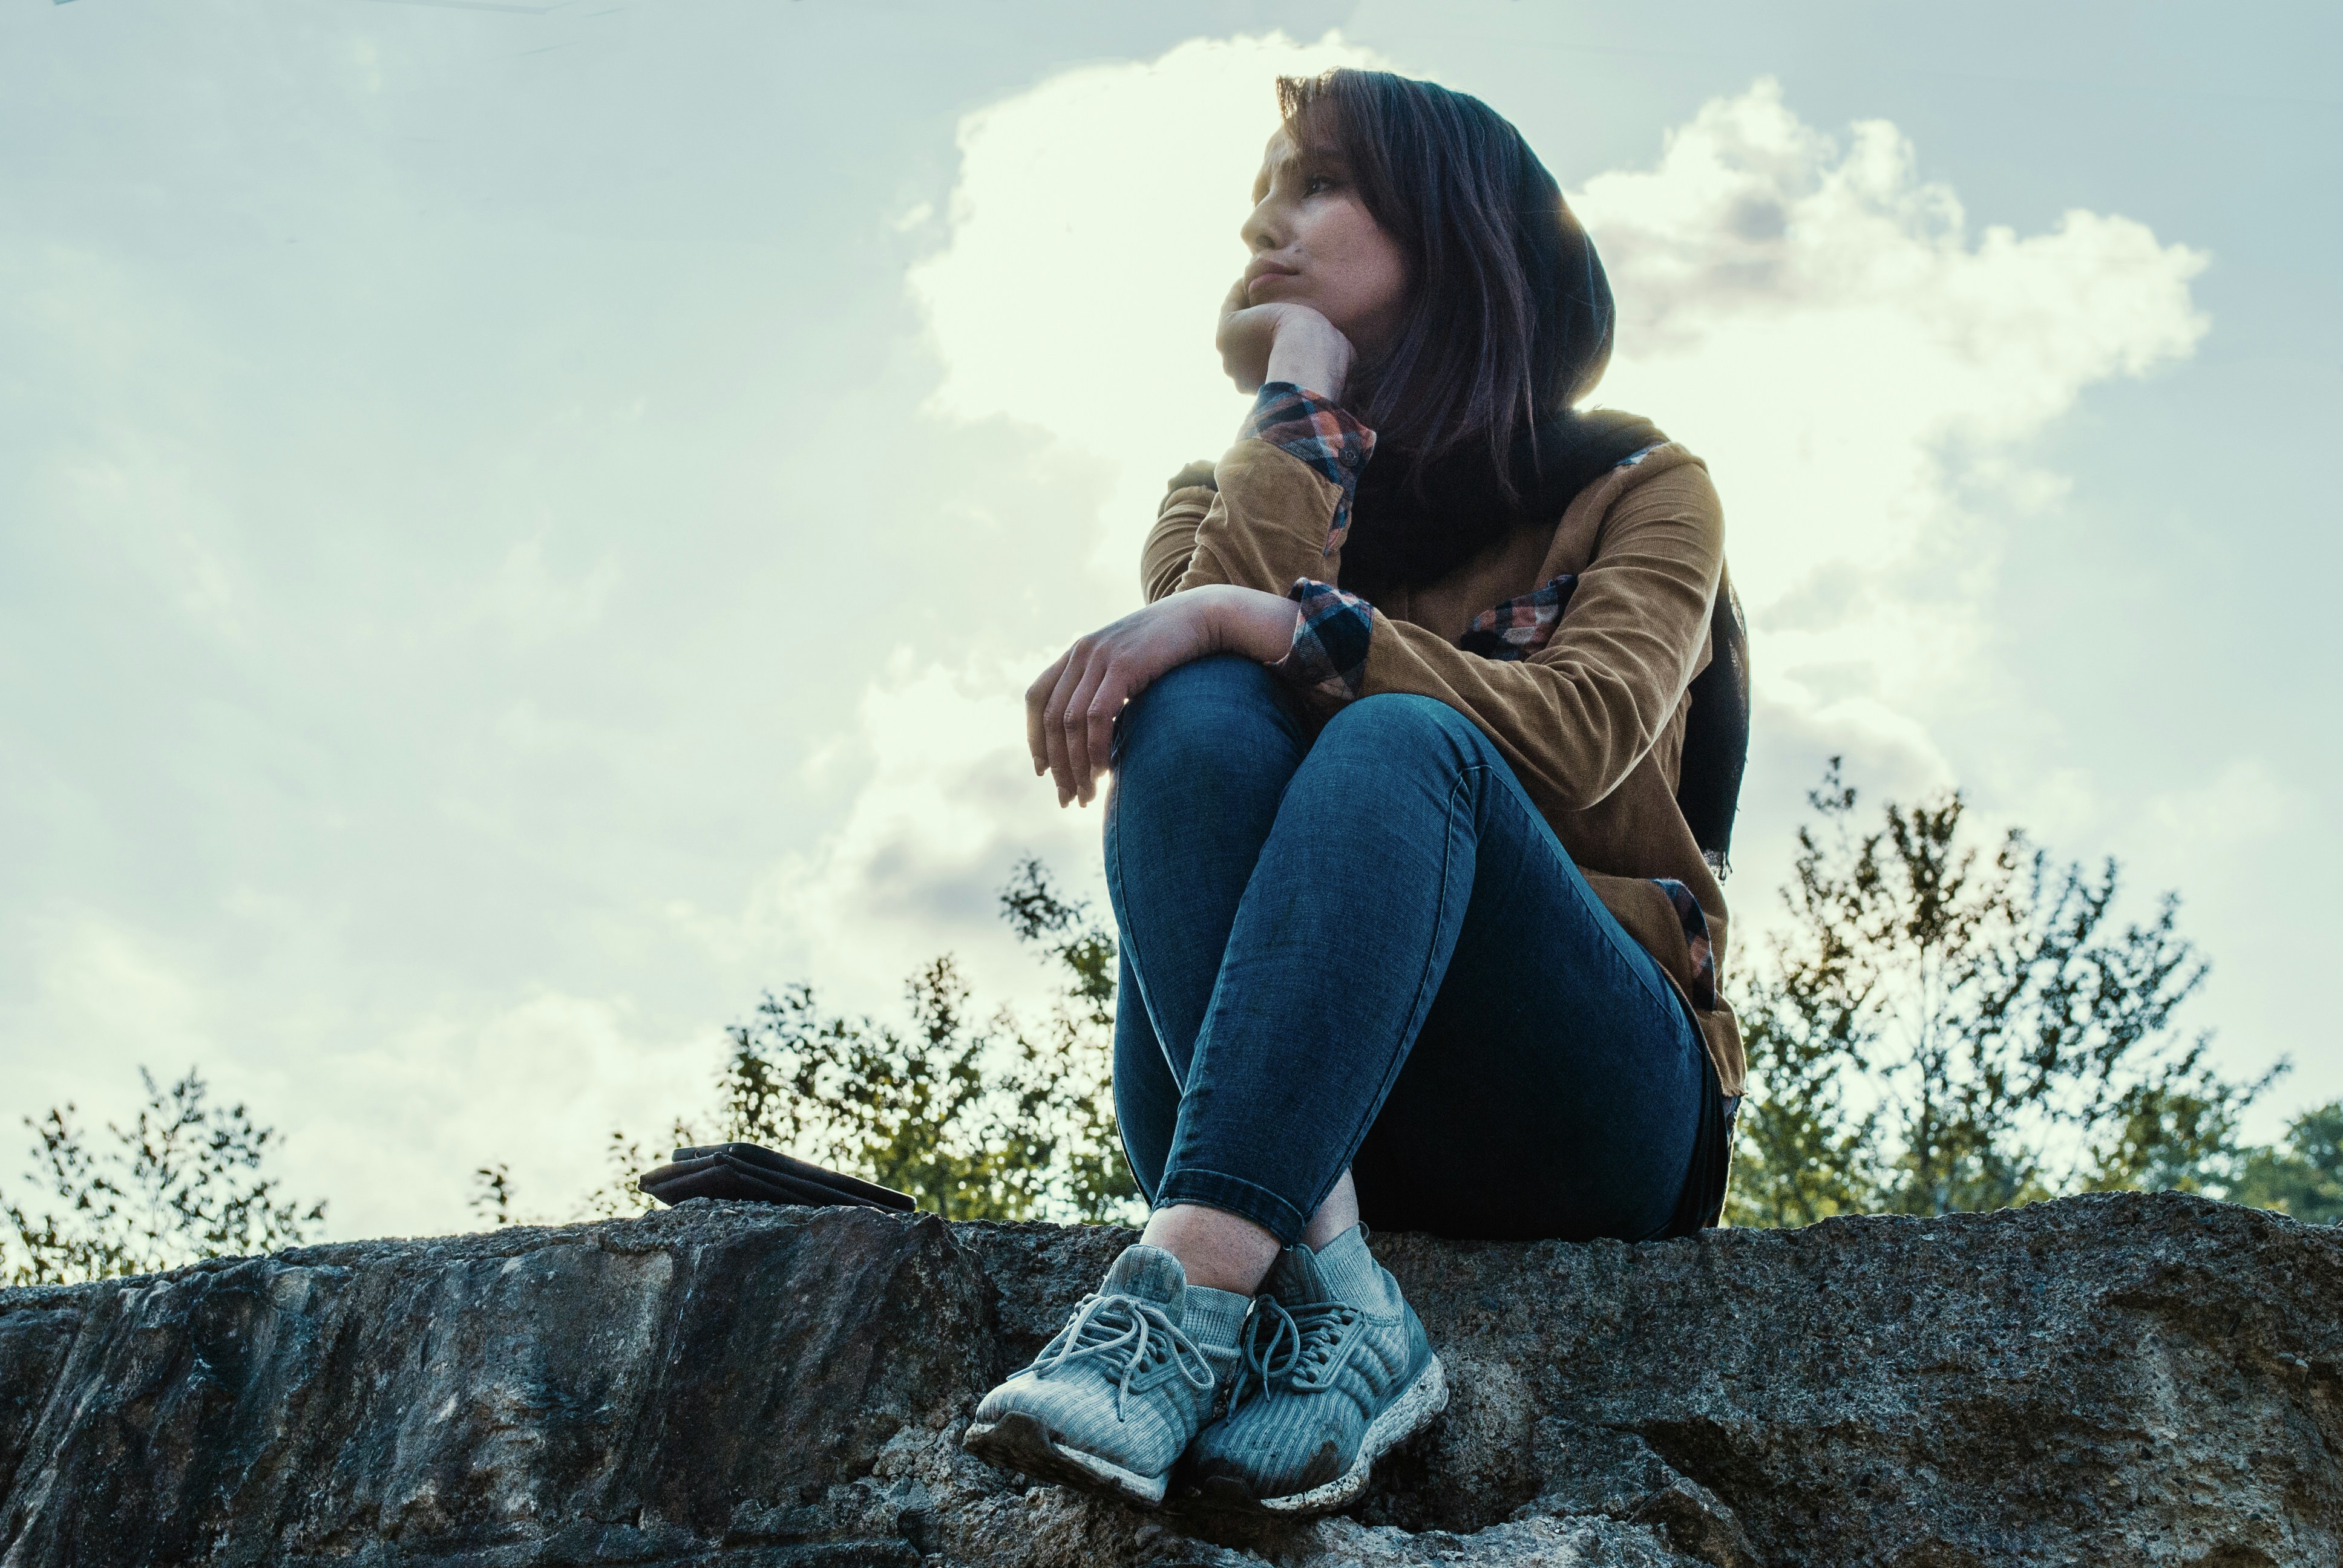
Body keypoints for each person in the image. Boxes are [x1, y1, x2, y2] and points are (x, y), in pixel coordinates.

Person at [961, 67, 1745, 1517]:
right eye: (1260, 193)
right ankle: (1329, 1289)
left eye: (1316, 182)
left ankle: (1189, 1285)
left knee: (1394, 741)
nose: (1267, 222)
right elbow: (1194, 727)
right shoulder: (1221, 489)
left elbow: (1578, 740)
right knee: (1195, 702)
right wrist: (1301, 393)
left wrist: (1277, 628)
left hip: (1577, 1086)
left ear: (1452, 230)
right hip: (1273, 1077)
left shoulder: (1639, 485)